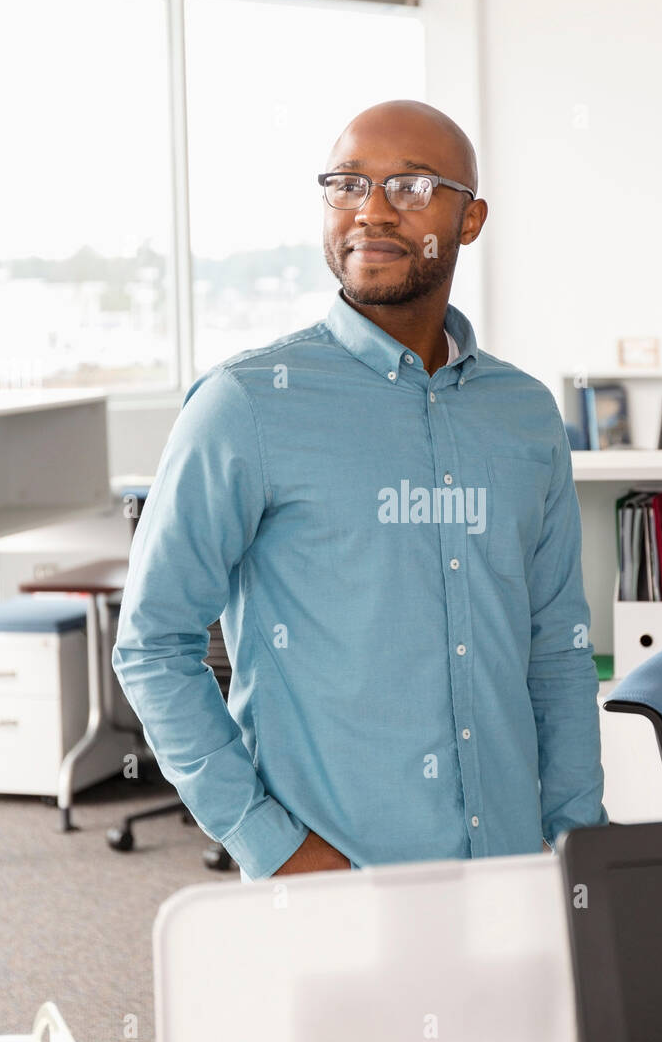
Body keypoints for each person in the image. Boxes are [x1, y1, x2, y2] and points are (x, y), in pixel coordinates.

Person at [112, 99, 606, 881]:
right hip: (335, 884)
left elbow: (557, 649)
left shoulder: (526, 415)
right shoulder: (248, 404)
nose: (371, 211)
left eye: (410, 187)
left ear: (469, 220)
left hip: (515, 871)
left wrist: (581, 835)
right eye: (346, 185)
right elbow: (151, 644)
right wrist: (269, 844)